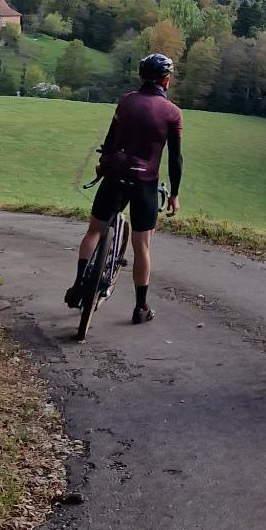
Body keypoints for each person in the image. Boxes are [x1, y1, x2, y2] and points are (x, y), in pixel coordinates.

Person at [67, 51, 182, 325]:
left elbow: (110, 138)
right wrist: (174, 195)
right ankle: (140, 307)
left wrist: (103, 163)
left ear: (143, 77)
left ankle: (78, 284)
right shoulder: (172, 113)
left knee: (95, 230)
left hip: (115, 173)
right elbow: (176, 158)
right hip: (145, 182)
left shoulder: (126, 101)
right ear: (166, 81)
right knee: (142, 246)